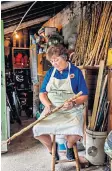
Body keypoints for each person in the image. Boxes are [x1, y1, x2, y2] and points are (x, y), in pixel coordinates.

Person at [33, 44, 88, 162]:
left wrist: (73, 103)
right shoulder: (51, 73)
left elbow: (84, 95)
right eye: (52, 61)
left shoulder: (75, 72)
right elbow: (42, 93)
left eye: (56, 60)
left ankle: (69, 146)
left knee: (78, 132)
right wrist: (47, 105)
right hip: (52, 110)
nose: (54, 64)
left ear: (65, 57)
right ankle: (52, 148)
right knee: (37, 130)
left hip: (72, 111)